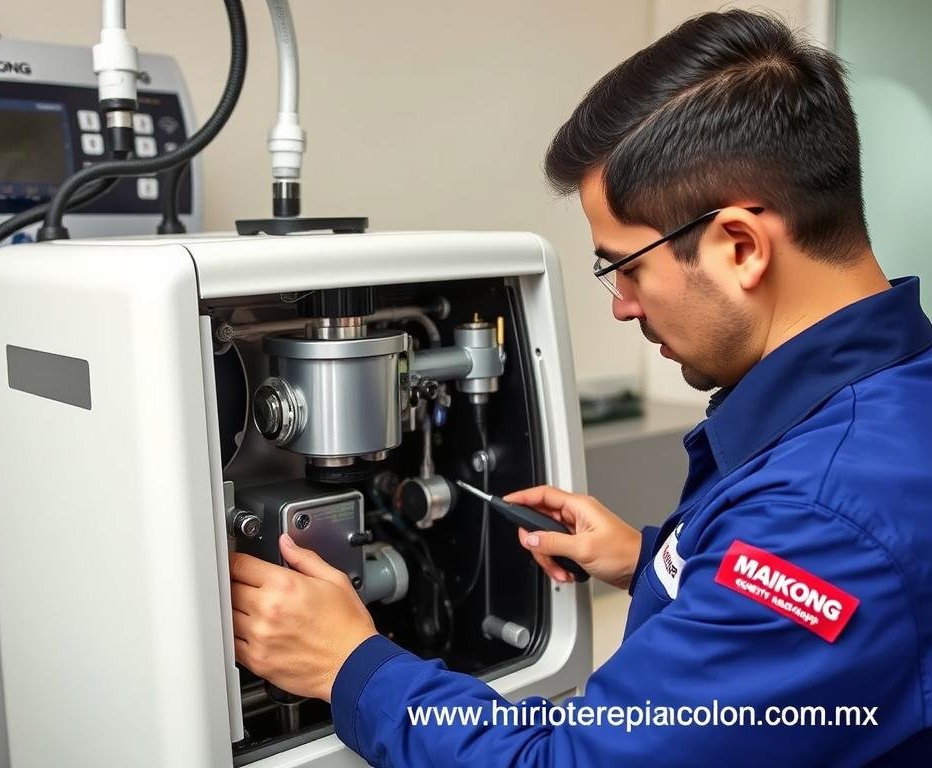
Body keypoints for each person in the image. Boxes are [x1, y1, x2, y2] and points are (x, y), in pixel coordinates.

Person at [227, 9, 932, 766]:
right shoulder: (892, 402)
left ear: (739, 246)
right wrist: (654, 560)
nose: (623, 304)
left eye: (626, 266)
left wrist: (347, 666)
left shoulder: (818, 521)